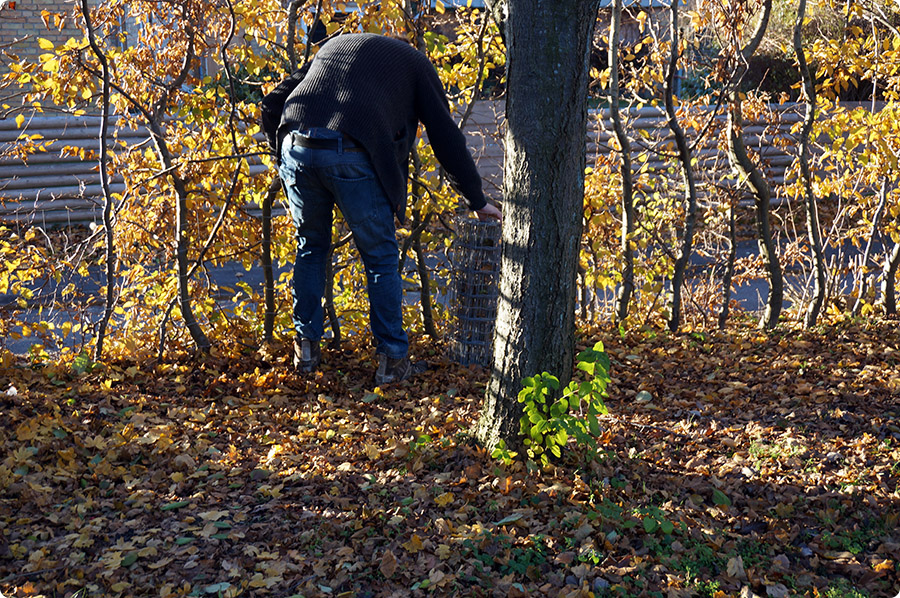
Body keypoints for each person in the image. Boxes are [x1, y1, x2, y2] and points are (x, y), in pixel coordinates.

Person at [261, 33, 502, 385]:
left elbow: (272, 103)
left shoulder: (335, 47)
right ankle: (392, 360)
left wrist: (280, 154)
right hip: (350, 153)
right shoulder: (415, 63)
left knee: (310, 247)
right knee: (380, 257)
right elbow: (445, 136)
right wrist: (477, 200)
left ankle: (306, 350)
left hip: (296, 146)